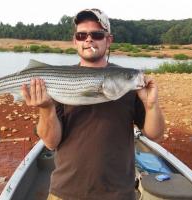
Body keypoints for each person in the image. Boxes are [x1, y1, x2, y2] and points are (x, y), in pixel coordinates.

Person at [21, 8, 165, 200]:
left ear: (108, 40)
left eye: (96, 34)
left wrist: (151, 104)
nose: (88, 39)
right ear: (75, 41)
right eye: (81, 35)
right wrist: (46, 109)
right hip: (65, 191)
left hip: (118, 193)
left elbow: (155, 134)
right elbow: (50, 142)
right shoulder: (58, 80)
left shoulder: (128, 82)